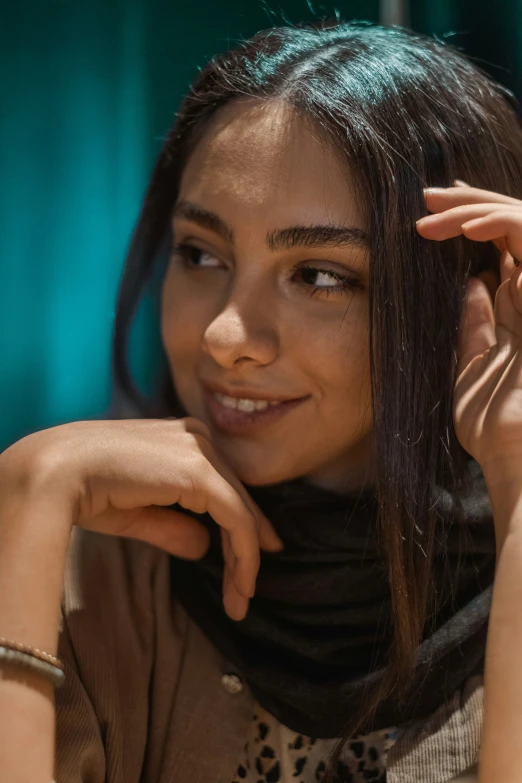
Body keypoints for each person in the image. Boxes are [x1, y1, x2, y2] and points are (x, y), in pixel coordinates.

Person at [2, 18, 522, 783]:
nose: (223, 334)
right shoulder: (82, 564)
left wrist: (517, 475)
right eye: (201, 254)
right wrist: (24, 496)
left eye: (319, 274)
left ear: (464, 302)